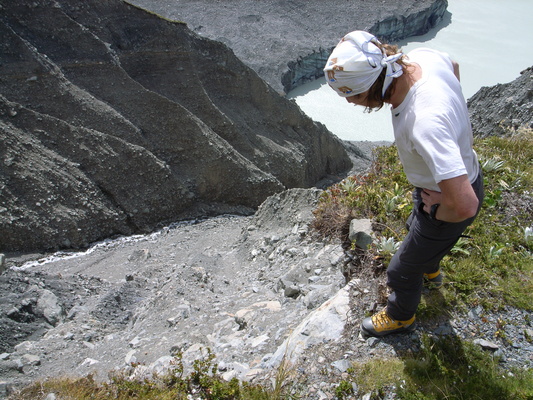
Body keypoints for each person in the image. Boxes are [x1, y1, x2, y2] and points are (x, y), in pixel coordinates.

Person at [323, 31, 484, 337]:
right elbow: (454, 65)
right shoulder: (419, 59)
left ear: (374, 86)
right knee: (415, 228)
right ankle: (430, 267)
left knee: (400, 268)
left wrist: (438, 210)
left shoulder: (424, 120)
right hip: (439, 182)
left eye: (354, 95)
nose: (352, 102)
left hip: (449, 197)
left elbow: (464, 205)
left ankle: (401, 317)